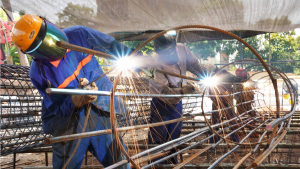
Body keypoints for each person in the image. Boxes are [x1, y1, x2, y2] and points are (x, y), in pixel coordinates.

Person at [11, 14, 132, 169]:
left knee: (120, 162)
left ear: (50, 25)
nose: (51, 45)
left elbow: (112, 46)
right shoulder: (39, 72)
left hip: (99, 112)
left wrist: (138, 56)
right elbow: (56, 107)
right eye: (41, 46)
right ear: (32, 53)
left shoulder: (79, 35)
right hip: (68, 124)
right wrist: (75, 100)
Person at [147, 34, 208, 164]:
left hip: (177, 102)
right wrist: (181, 90)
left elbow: (194, 64)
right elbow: (163, 92)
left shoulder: (182, 49)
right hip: (161, 102)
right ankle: (157, 165)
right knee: (158, 138)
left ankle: (172, 164)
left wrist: (203, 75)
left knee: (174, 137)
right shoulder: (154, 63)